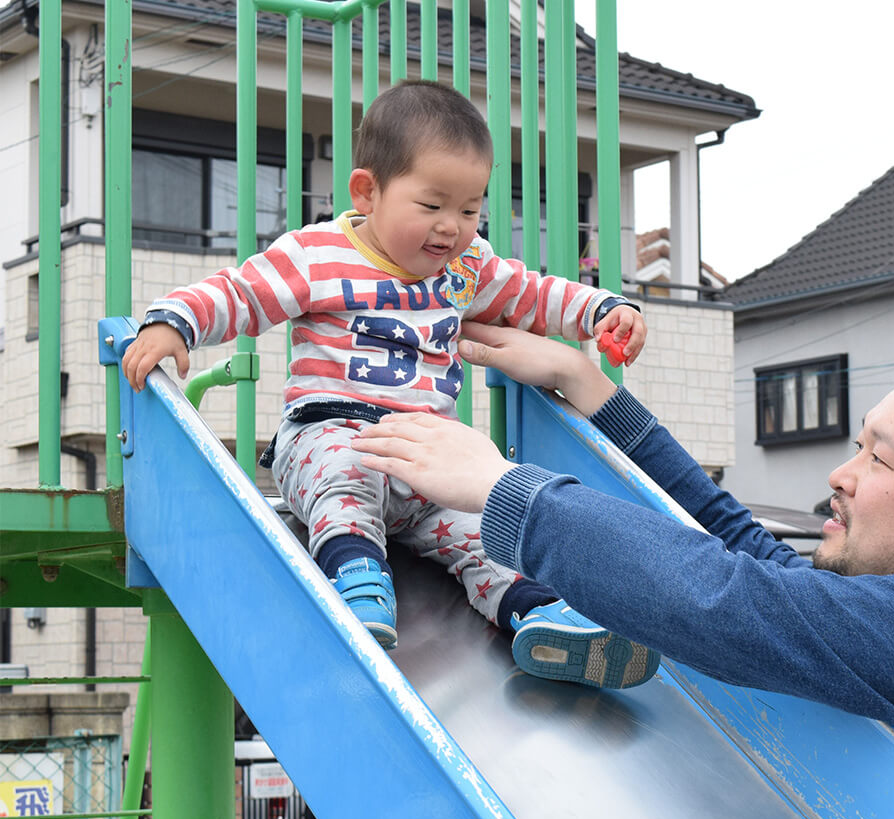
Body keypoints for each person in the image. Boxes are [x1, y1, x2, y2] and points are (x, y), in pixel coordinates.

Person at [352, 325, 894, 819]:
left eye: (878, 460)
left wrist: (504, 487)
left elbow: (730, 599)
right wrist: (593, 390)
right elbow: (744, 547)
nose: (840, 477)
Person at [119, 80, 659, 690]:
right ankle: (355, 582)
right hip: (329, 430)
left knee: (485, 520)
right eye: (431, 206)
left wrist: (600, 310)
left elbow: (530, 293)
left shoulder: (465, 267)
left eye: (470, 208)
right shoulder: (316, 255)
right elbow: (239, 293)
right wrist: (174, 323)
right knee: (343, 475)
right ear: (367, 191)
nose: (452, 227)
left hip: (426, 454)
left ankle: (537, 613)